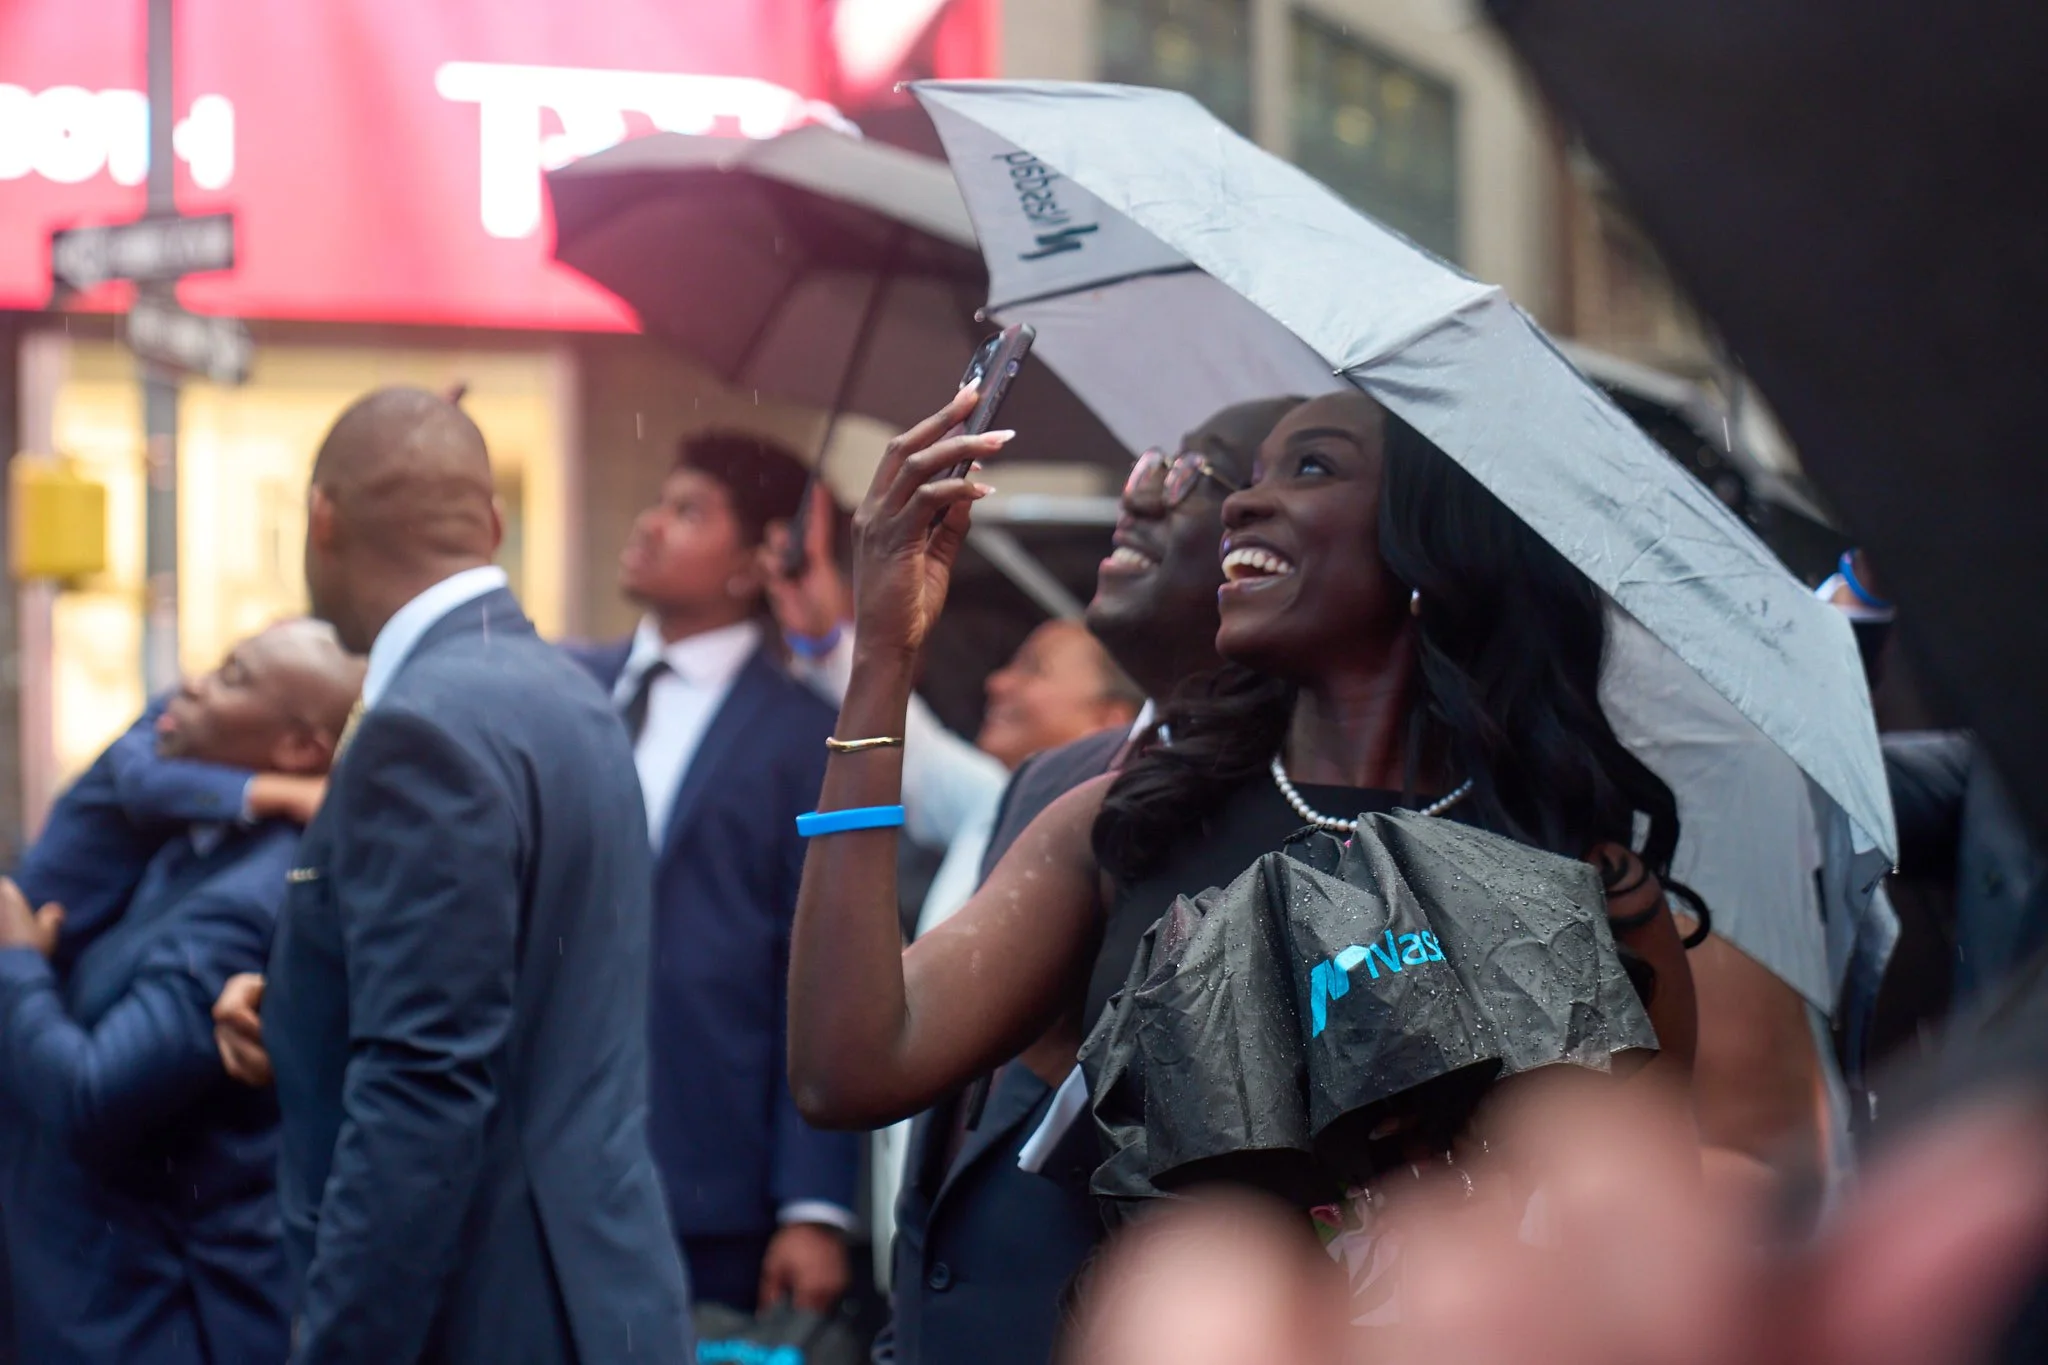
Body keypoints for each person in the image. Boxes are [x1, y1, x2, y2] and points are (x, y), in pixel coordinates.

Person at [787, 387, 1699, 1320]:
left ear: (1432, 543)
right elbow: (853, 1064)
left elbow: (1633, 1274)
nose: (1239, 505)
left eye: (1312, 468)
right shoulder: (1130, 823)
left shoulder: (1576, 890)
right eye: (1253, 475)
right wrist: (882, 658)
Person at [262, 387, 692, 1364]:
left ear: (322, 519)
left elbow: (421, 1087)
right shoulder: (569, 697)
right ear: (491, 524)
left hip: (490, 1314)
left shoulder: (423, 726)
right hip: (605, 1296)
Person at [881, 397, 1298, 1365]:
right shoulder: (1055, 781)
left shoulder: (1294, 830)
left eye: (1199, 476)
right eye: (1155, 458)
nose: (1141, 493)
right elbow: (887, 1073)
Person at [0, 620, 360, 1365]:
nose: (191, 684)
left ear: (300, 750)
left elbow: (92, 1097)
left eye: (231, 677)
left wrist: (17, 965)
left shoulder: (248, 903)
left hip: (126, 1321)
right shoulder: (195, 827)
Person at [564, 431, 860, 1318]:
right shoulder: (564, 688)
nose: (651, 523)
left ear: (759, 558)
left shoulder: (802, 735)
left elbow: (820, 974)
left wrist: (812, 1204)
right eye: (660, 500)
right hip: (537, 1159)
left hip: (706, 1179)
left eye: (689, 512)